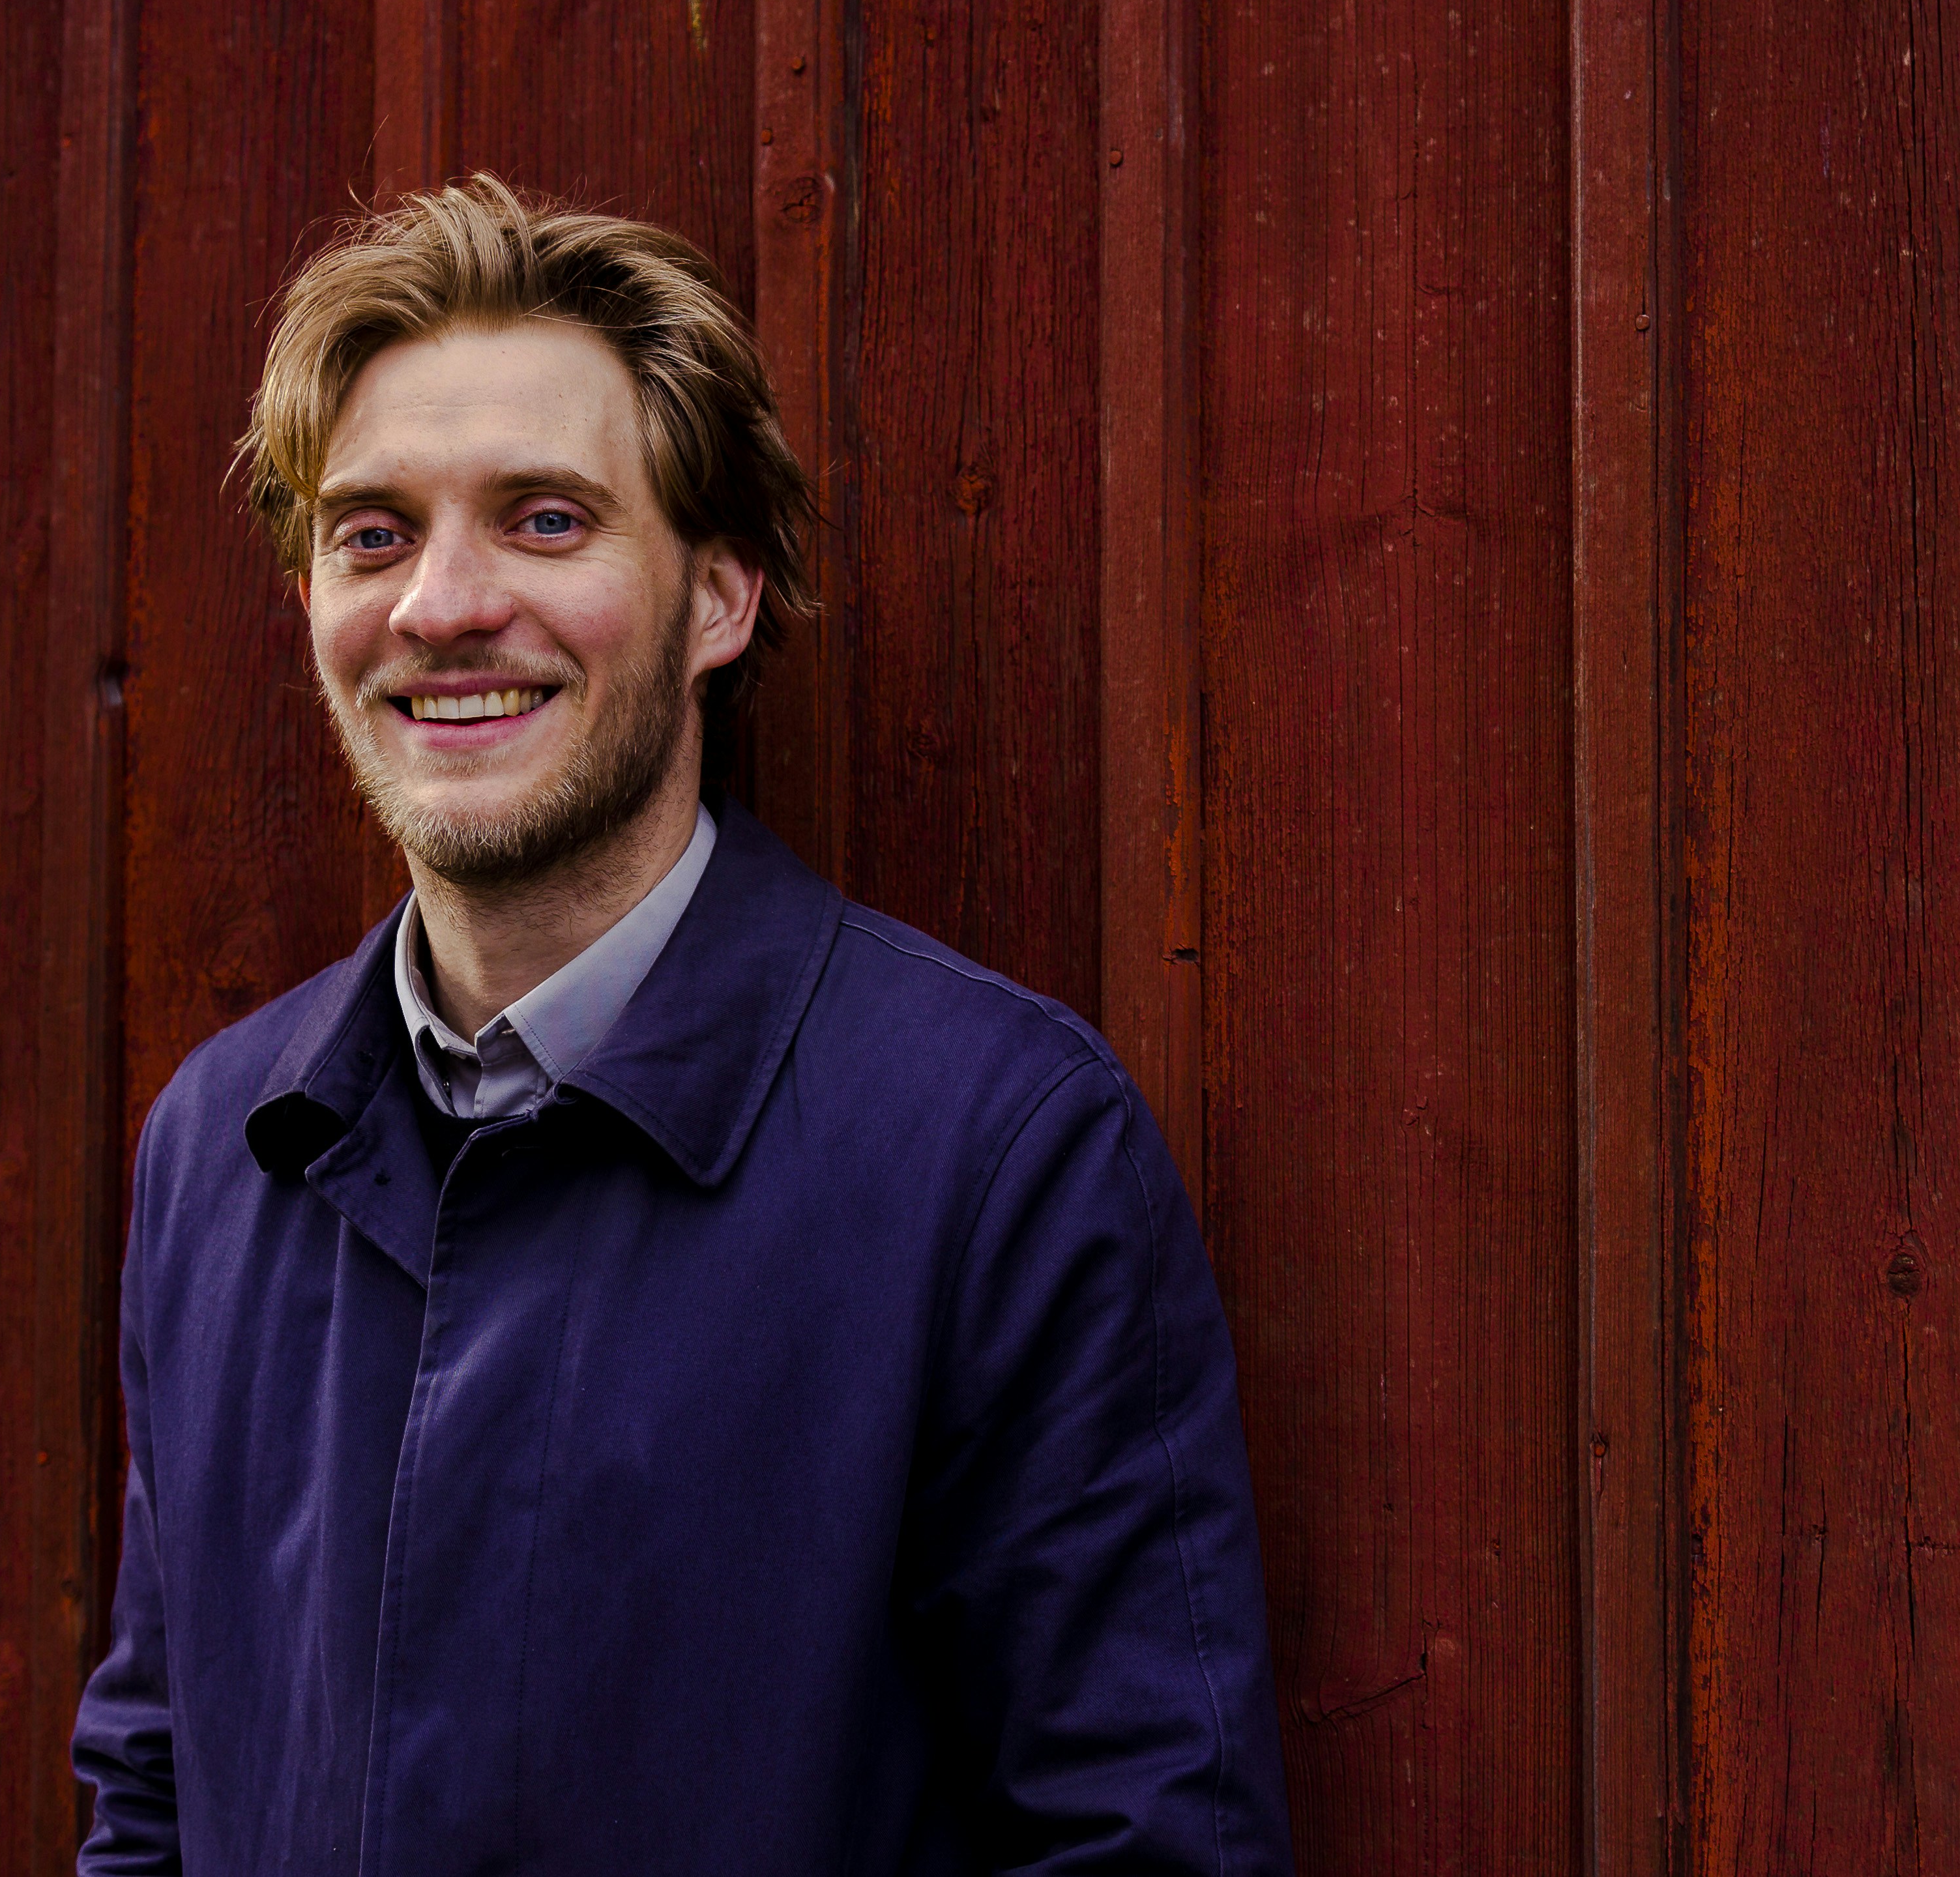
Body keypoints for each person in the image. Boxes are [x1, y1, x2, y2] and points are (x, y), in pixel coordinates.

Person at [68, 176, 1293, 1874]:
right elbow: (151, 1794)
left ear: (718, 598)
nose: (441, 604)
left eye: (544, 520)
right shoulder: (222, 1150)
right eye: (373, 532)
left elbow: (1141, 1845)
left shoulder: (992, 1149)